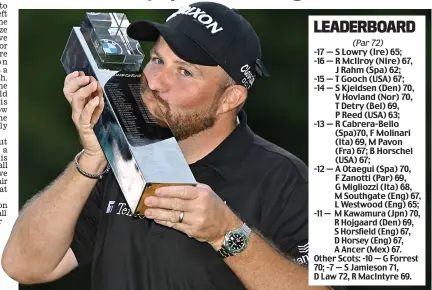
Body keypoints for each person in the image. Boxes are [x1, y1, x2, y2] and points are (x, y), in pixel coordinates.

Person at [2, 2, 335, 289]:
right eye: (157, 59)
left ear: (230, 99)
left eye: (185, 72)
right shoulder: (122, 159)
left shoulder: (284, 180)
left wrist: (226, 233)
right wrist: (92, 157)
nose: (155, 81)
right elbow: (24, 266)